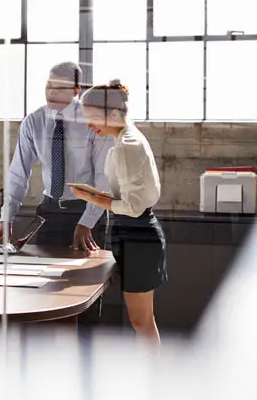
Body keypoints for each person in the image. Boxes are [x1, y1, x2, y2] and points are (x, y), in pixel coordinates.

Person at [69, 79, 166, 346]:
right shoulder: (124, 138)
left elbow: (133, 207)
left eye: (91, 118)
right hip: (132, 232)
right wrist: (94, 194)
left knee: (141, 320)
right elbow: (127, 197)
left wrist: (92, 197)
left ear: (111, 114)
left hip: (139, 235)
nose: (89, 126)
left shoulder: (127, 145)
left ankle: (152, 383)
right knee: (142, 320)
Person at [0, 61, 113, 251]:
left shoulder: (93, 121)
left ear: (76, 90)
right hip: (50, 210)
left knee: (85, 277)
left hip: (87, 209)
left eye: (60, 88)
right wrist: (6, 218)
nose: (51, 92)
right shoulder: (34, 121)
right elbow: (18, 173)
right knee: (44, 272)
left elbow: (104, 176)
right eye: (49, 86)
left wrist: (88, 222)